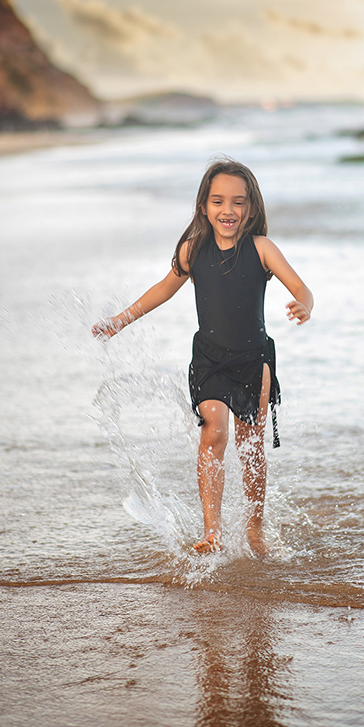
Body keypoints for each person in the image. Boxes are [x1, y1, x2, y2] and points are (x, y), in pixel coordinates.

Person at [92, 159, 313, 555]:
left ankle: (255, 527)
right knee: (213, 431)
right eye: (218, 201)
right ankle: (213, 532)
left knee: (250, 447)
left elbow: (300, 286)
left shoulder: (261, 249)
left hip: (254, 360)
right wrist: (119, 321)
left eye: (238, 202)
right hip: (209, 357)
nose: (228, 211)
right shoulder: (193, 250)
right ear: (203, 207)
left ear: (251, 208)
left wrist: (304, 305)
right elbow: (163, 289)